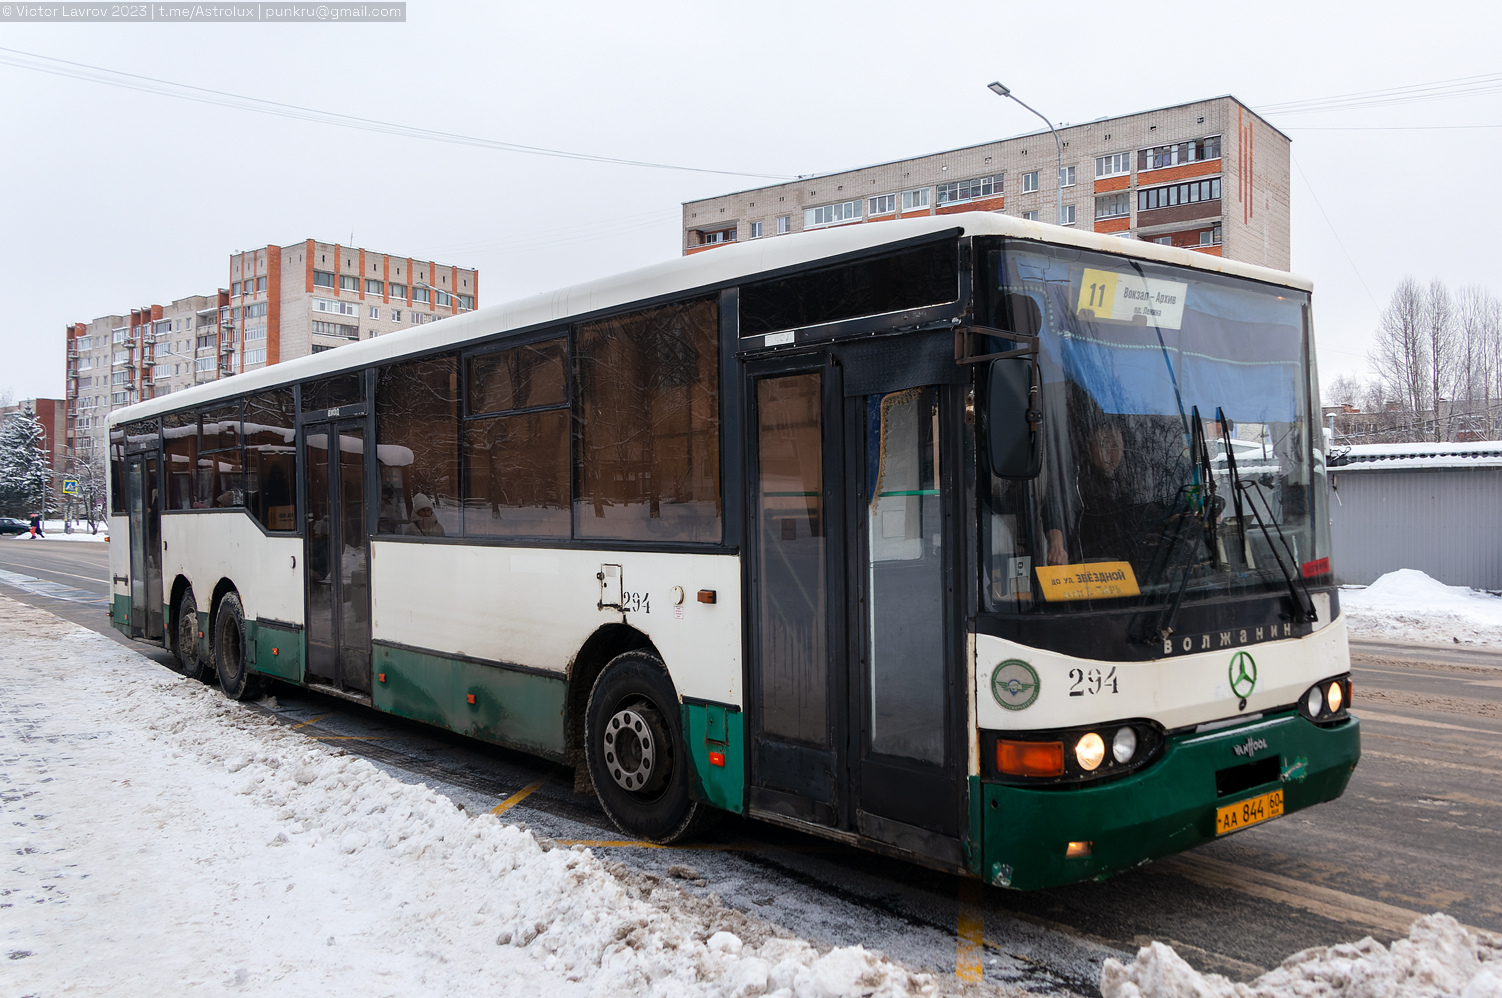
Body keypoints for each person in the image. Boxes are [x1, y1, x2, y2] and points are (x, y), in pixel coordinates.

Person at [1045, 421, 1136, 566]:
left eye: (1116, 446)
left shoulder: (1131, 483)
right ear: (1089, 447)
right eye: (1103, 445)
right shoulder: (1076, 481)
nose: (1111, 453)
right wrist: (1056, 543)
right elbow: (1053, 509)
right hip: (1085, 569)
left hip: (1130, 572)